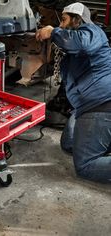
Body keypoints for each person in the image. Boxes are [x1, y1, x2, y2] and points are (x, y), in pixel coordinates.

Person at [36, 2, 111, 183]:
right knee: (68, 144)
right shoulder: (74, 46)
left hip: (100, 104)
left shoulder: (92, 32)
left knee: (86, 165)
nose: (61, 25)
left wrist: (53, 32)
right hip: (87, 105)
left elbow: (83, 44)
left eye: (63, 20)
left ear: (77, 19)